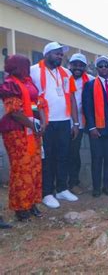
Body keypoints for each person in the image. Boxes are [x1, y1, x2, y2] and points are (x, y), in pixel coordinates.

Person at [30, 42, 80, 209]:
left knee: (63, 156)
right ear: (47, 54)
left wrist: (76, 122)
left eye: (61, 54)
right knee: (48, 158)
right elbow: (31, 99)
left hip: (64, 121)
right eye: (57, 53)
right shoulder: (34, 71)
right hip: (46, 123)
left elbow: (71, 98)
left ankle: (62, 188)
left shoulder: (66, 73)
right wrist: (36, 120)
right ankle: (47, 193)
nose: (60, 56)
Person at [0, 55, 46, 221]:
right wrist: (32, 124)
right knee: (21, 168)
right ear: (16, 67)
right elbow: (14, 111)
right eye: (24, 66)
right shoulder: (9, 84)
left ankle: (32, 202)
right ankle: (20, 207)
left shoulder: (28, 82)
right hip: (16, 131)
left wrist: (42, 121)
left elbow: (37, 103)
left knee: (34, 167)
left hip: (32, 129)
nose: (27, 69)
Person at [83, 56, 108, 197]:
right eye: (101, 66)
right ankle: (96, 188)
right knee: (96, 159)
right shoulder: (90, 85)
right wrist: (91, 127)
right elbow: (87, 108)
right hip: (96, 129)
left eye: (106, 66)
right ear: (97, 68)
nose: (104, 68)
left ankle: (107, 186)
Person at [67, 53, 93, 195]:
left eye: (81, 65)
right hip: (62, 122)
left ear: (85, 67)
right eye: (75, 64)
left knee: (74, 154)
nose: (77, 67)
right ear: (70, 65)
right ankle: (59, 186)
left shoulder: (90, 80)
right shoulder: (63, 77)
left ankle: (73, 183)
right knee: (60, 154)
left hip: (81, 124)